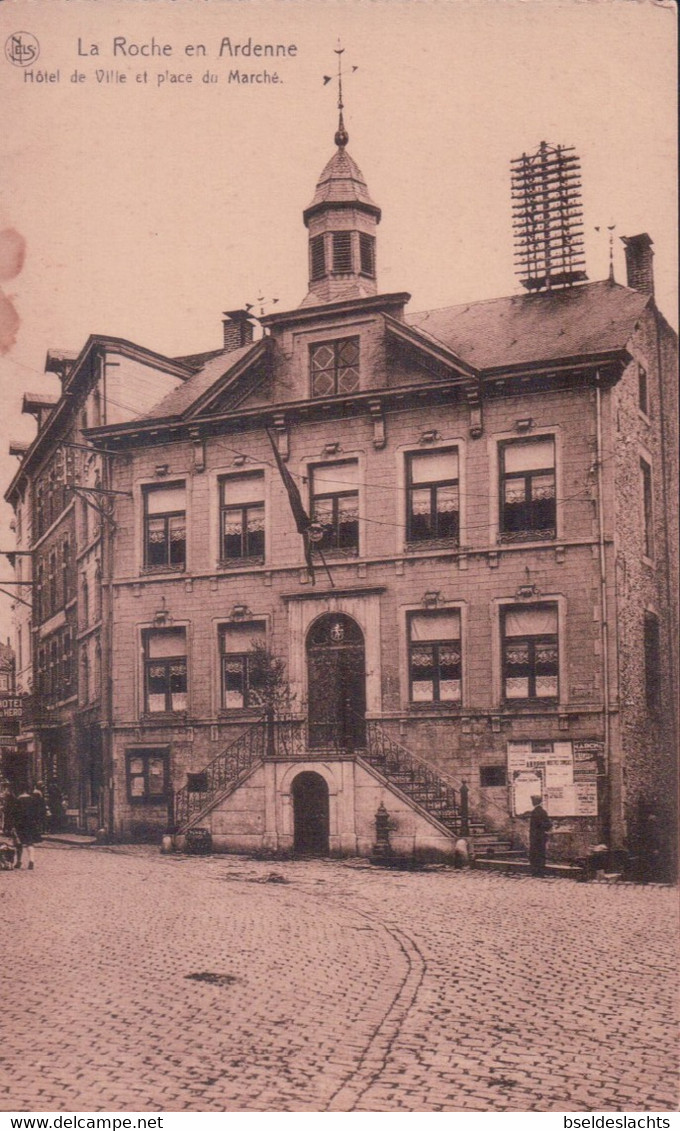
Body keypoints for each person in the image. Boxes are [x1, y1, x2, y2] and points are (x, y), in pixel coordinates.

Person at [10, 788, 42, 870]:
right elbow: (37, 812)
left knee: (18, 843)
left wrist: (12, 825)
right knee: (29, 843)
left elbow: (13, 814)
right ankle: (31, 861)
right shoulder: (33, 800)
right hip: (31, 824)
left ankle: (19, 861)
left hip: (20, 824)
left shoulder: (17, 801)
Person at [528, 794, 552, 877]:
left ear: (535, 802)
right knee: (541, 853)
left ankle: (536, 872)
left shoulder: (535, 812)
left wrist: (539, 829)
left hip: (536, 837)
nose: (532, 802)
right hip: (541, 836)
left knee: (535, 854)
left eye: (533, 801)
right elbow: (548, 824)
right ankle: (540, 871)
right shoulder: (543, 811)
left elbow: (541, 825)